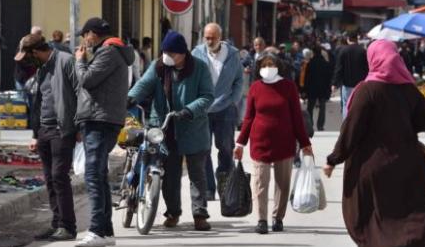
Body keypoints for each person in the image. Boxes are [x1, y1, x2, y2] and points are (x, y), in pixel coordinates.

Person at [323, 39, 425, 247]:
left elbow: (351, 130)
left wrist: (334, 159)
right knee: (406, 220)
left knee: (373, 222)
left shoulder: (367, 90)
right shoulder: (409, 89)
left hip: (372, 168)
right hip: (407, 167)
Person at [128, 30, 215, 230]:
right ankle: (173, 213)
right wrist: (131, 98)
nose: (167, 56)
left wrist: (189, 110)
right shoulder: (158, 66)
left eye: (172, 53)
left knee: (197, 173)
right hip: (164, 127)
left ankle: (200, 214)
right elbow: (143, 84)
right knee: (169, 175)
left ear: (182, 53)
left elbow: (208, 96)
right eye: (165, 51)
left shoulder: (199, 68)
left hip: (193, 126)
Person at [234, 53, 312, 234]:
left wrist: (305, 143)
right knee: (260, 182)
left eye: (272, 64)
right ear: (259, 68)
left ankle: (278, 218)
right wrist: (240, 144)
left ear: (278, 67)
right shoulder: (255, 88)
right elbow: (248, 118)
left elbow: (297, 118)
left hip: (284, 142)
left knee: (282, 184)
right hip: (260, 142)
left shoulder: (288, 87)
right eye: (265, 65)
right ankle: (261, 220)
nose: (268, 68)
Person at [74, 17, 135, 247]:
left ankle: (97, 230)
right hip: (102, 118)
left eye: (85, 36)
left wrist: (80, 62)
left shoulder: (108, 52)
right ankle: (106, 231)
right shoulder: (111, 51)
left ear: (93, 33)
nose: (84, 41)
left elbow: (87, 80)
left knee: (93, 174)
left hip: (100, 120)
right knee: (98, 175)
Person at [15, 34, 79, 241]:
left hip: (62, 129)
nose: (26, 61)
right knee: (50, 179)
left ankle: (68, 226)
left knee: (60, 176)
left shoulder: (66, 61)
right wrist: (35, 134)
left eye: (27, 56)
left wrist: (79, 126)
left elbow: (81, 93)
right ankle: (57, 223)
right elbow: (39, 102)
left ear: (35, 52)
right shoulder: (41, 68)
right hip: (44, 130)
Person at [192, 23, 243, 201]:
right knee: (203, 149)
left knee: (226, 149)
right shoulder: (197, 53)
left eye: (213, 37)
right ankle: (208, 189)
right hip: (203, 110)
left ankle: (225, 184)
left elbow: (239, 81)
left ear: (220, 37)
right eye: (207, 37)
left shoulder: (233, 55)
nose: (210, 40)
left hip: (225, 109)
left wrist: (232, 100)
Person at [331, 34, 369, 118]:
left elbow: (339, 68)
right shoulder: (363, 51)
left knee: (346, 105)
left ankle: (346, 125)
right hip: (360, 85)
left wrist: (334, 83)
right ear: (357, 39)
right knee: (359, 105)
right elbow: (367, 68)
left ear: (348, 39)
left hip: (347, 84)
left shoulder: (343, 51)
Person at [305, 47, 332, 131]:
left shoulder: (310, 64)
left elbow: (307, 78)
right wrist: (329, 89)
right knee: (322, 107)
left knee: (310, 108)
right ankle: (320, 125)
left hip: (312, 88)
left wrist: (304, 90)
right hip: (323, 88)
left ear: (313, 53)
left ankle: (310, 125)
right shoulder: (325, 63)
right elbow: (329, 78)